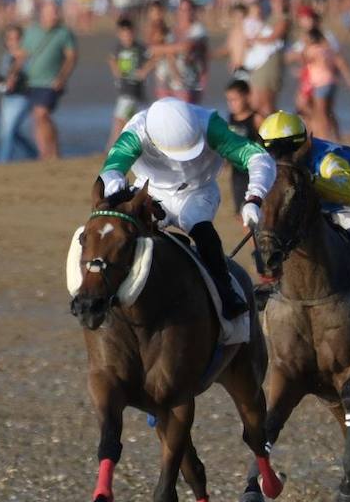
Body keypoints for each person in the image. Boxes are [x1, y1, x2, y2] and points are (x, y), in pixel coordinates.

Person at [97, 98, 276, 318]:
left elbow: (259, 157)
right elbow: (110, 171)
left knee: (201, 229)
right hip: (150, 192)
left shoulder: (210, 125)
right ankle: (106, 293)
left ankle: (226, 292)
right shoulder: (135, 132)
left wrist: (254, 198)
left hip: (198, 191)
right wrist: (127, 197)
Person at [255, 111, 350, 313]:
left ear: (305, 143)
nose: (281, 158)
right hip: (329, 214)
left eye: (287, 150)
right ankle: (275, 284)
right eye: (274, 151)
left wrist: (311, 181)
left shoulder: (327, 158)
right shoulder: (269, 163)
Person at [22, 0, 78, 160]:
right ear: (42, 14)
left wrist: (62, 77)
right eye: (52, 12)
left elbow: (72, 57)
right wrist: (12, 74)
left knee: (42, 114)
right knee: (37, 118)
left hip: (52, 82)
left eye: (56, 12)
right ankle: (45, 153)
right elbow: (23, 55)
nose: (55, 15)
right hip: (32, 81)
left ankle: (53, 151)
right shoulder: (32, 31)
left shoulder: (64, 33)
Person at [0, 24, 36, 163]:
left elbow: (33, 76)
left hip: (23, 97)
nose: (13, 42)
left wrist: (17, 75)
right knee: (12, 131)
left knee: (8, 132)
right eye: (10, 39)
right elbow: (3, 77)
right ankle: (35, 155)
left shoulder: (29, 56)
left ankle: (3, 162)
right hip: (8, 97)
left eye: (17, 38)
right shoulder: (6, 57)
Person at [107, 17, 151, 147]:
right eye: (124, 34)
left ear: (134, 32)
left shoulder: (140, 48)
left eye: (129, 34)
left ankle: (112, 147)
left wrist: (145, 70)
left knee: (120, 119)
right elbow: (111, 58)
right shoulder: (118, 48)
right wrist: (115, 70)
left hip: (133, 91)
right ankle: (118, 146)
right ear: (119, 34)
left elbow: (153, 57)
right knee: (129, 121)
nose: (127, 37)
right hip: (123, 90)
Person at [223, 78, 263, 210]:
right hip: (237, 172)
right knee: (239, 210)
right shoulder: (231, 118)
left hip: (253, 170)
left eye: (235, 99)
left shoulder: (257, 119)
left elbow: (267, 143)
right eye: (229, 100)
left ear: (247, 97)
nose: (231, 104)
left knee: (255, 206)